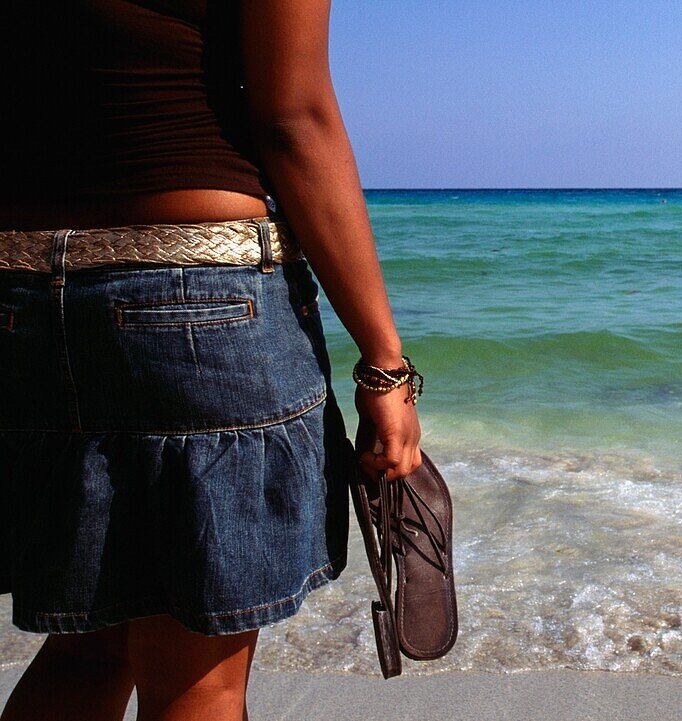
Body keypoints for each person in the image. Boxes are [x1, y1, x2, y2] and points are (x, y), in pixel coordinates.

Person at [0, 1, 422, 719]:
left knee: (84, 650)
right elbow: (294, 121)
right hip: (194, 294)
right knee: (197, 679)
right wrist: (385, 363)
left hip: (23, 296)